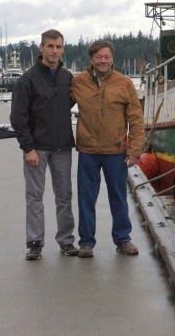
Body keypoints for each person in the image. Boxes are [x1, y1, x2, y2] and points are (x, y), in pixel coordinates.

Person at [70, 39, 144, 258]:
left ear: (112, 59)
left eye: (107, 57)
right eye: (99, 57)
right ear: (91, 59)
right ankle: (86, 243)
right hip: (88, 151)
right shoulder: (78, 82)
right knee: (86, 197)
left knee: (119, 196)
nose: (103, 61)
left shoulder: (124, 83)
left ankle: (123, 239)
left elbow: (136, 119)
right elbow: (58, 106)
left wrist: (135, 150)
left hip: (116, 151)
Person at [10, 29, 78, 260]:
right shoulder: (27, 80)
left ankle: (66, 241)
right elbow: (18, 118)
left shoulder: (67, 77)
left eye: (58, 47)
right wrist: (27, 148)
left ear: (63, 49)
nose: (54, 51)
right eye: (50, 46)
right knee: (34, 197)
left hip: (62, 147)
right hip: (36, 148)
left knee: (64, 196)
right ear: (41, 48)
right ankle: (35, 242)